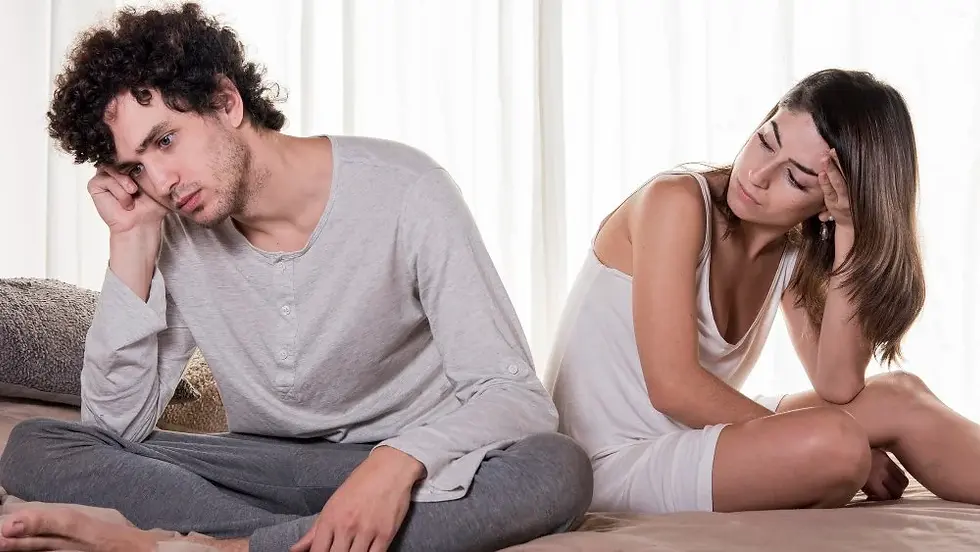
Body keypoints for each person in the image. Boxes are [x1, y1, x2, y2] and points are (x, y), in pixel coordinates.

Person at [0, 3, 593, 551]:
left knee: (554, 469)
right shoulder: (174, 229)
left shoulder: (407, 191)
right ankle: (293, 540)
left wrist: (396, 462)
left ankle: (203, 544)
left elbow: (514, 395)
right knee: (37, 448)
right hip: (266, 468)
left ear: (226, 102)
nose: (161, 181)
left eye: (165, 140)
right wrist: (131, 241)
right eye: (136, 166)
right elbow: (114, 429)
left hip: (410, 466)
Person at [546, 68, 980, 515]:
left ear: (830, 199)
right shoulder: (673, 202)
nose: (756, 175)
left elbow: (838, 385)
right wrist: (822, 439)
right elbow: (673, 388)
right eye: (766, 140)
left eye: (796, 179)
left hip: (692, 437)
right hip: (614, 460)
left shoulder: (790, 248)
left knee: (899, 395)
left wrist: (850, 226)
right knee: (838, 444)